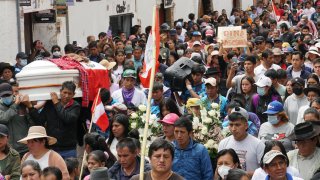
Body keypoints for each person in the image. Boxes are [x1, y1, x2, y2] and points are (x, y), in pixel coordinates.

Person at [25, 81, 80, 159]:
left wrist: (56, 103)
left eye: (70, 93)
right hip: (52, 147)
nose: (66, 96)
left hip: (68, 148)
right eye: (65, 92)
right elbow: (40, 120)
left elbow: (67, 118)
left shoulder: (75, 106)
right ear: (60, 92)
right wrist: (30, 107)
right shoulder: (50, 104)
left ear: (74, 94)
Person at [218, 107, 265, 177]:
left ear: (246, 125)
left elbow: (264, 171)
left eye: (237, 125)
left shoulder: (258, 144)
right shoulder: (223, 143)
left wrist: (242, 175)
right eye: (231, 125)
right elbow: (218, 169)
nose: (233, 129)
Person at [0, 83, 32, 157]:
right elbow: (4, 118)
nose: (6, 97)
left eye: (8, 95)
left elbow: (31, 122)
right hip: (6, 149)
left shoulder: (22, 105)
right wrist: (15, 105)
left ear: (12, 93)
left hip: (24, 147)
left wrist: (29, 105)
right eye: (3, 96)